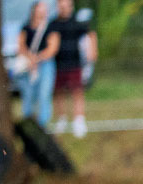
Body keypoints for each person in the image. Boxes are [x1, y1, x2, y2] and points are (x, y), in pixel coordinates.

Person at [48, 0, 96, 137]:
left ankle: (79, 120)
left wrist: (92, 51)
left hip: (75, 64)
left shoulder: (77, 21)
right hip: (58, 64)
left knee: (77, 91)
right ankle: (61, 119)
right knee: (58, 92)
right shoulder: (53, 24)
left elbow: (90, 34)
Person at [16, 0, 59, 128]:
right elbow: (20, 45)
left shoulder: (50, 28)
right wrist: (30, 58)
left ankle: (43, 124)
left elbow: (53, 48)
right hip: (28, 66)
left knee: (44, 93)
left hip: (45, 64)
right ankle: (28, 122)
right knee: (28, 94)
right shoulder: (26, 27)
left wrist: (38, 58)